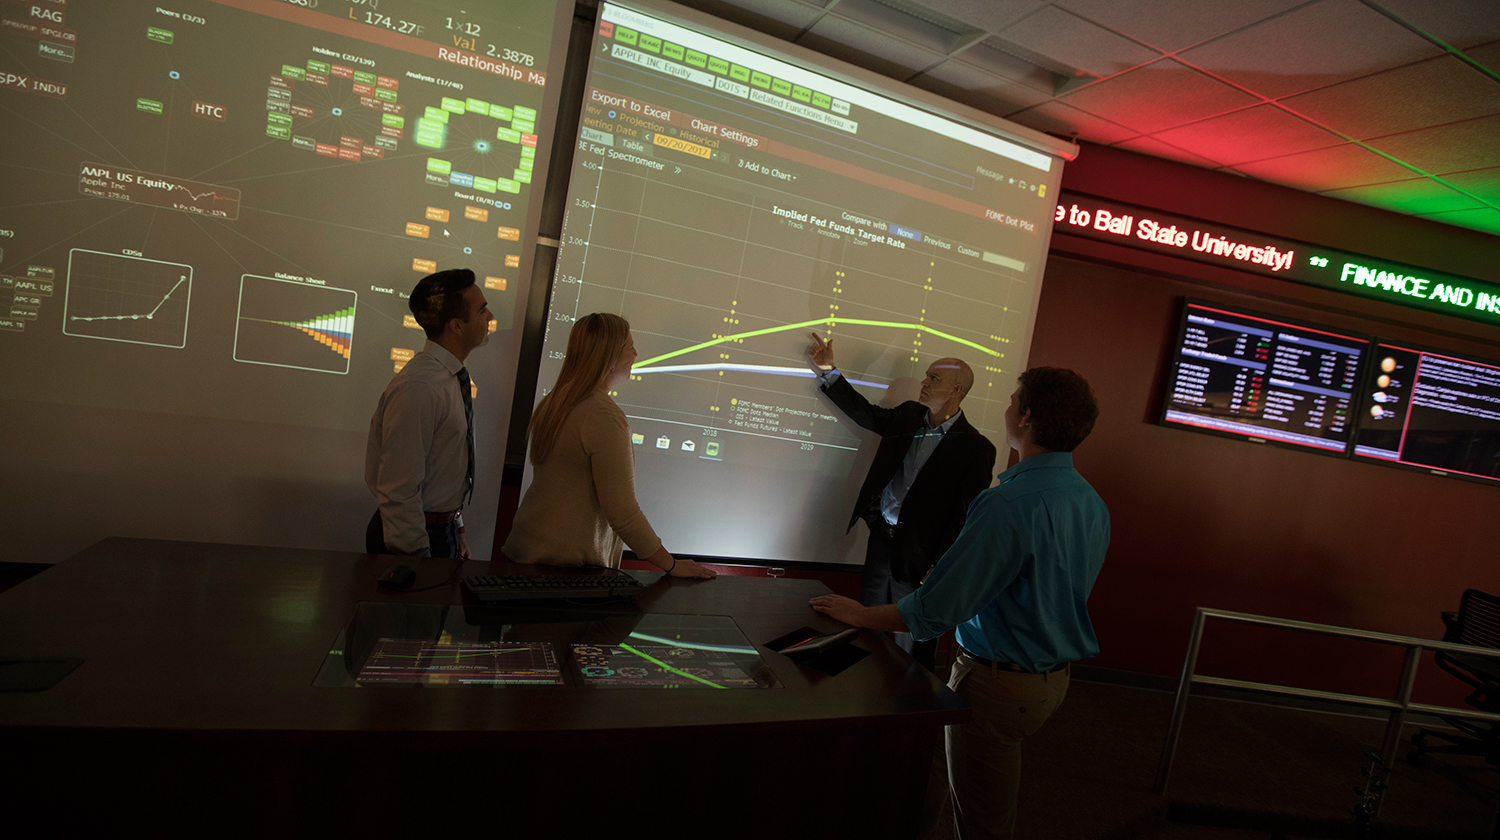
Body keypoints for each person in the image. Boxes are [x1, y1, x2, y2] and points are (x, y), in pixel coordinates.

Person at [810, 366, 1109, 840]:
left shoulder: (1007, 502)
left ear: (1026, 416)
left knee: (983, 822)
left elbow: (933, 613)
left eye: (1012, 400)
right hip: (1048, 679)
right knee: (931, 769)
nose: (1007, 407)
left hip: (998, 682)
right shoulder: (1089, 500)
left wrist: (861, 615)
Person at [805, 332, 996, 669]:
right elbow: (866, 414)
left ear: (956, 390)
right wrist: (828, 371)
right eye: (926, 375)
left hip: (922, 558)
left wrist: (943, 564)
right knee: (866, 623)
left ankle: (912, 697)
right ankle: (867, 690)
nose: (924, 382)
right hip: (882, 541)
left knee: (913, 642)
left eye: (934, 378)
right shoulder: (908, 415)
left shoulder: (975, 447)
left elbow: (968, 514)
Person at [503, 313, 716, 579]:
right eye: (630, 346)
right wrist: (671, 565)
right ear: (610, 357)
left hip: (527, 556)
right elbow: (623, 513)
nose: (636, 354)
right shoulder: (602, 415)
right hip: (563, 572)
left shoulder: (556, 402)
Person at [365, 268, 492, 559]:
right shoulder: (420, 387)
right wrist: (417, 561)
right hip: (415, 537)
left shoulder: (448, 377)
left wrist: (456, 526)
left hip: (441, 529)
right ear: (456, 326)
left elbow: (442, 467)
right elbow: (399, 490)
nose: (490, 317)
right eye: (482, 310)